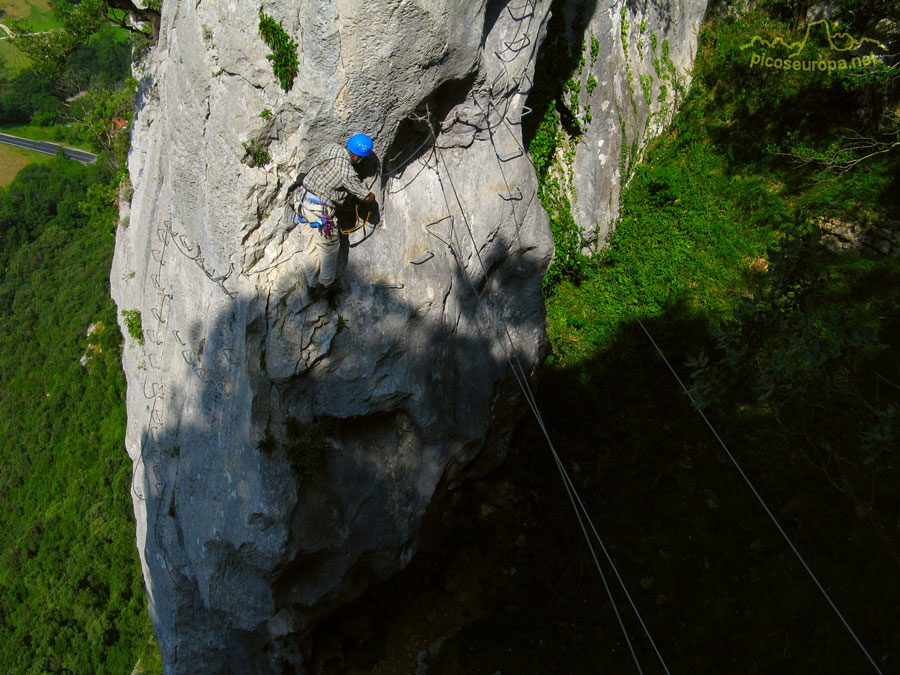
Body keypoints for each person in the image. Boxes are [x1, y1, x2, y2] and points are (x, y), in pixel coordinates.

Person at [296, 133, 377, 298]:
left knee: (310, 245)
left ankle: (311, 285)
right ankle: (325, 286)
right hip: (320, 211)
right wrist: (372, 198)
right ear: (356, 156)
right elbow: (365, 196)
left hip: (302, 201)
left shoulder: (331, 147)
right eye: (361, 157)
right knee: (329, 249)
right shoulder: (347, 172)